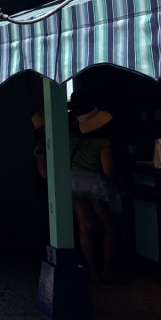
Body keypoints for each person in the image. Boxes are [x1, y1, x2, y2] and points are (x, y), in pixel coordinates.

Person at [67, 91, 123, 283]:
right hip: (97, 186)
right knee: (110, 227)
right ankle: (108, 269)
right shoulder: (103, 142)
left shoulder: (72, 138)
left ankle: (92, 271)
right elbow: (108, 170)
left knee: (85, 227)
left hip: (75, 183)